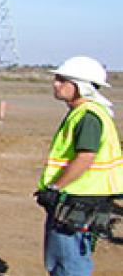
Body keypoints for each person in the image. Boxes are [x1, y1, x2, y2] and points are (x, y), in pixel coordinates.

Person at [35, 56, 123, 276]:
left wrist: (55, 187)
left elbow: (85, 157)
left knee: (68, 261)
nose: (55, 84)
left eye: (62, 80)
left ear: (80, 86)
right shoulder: (86, 113)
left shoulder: (88, 116)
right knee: (66, 259)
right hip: (82, 197)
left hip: (77, 199)